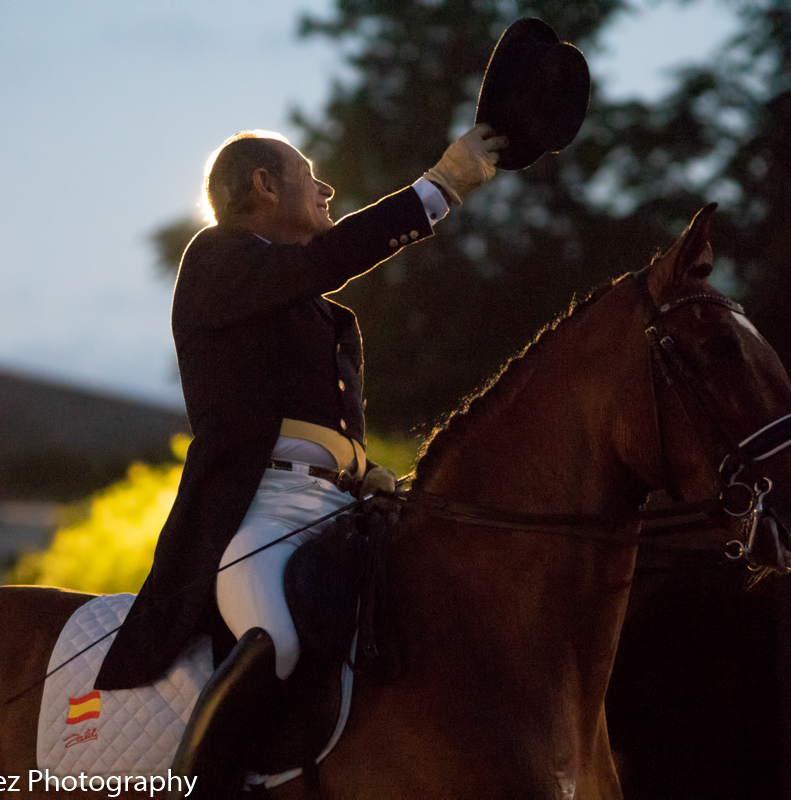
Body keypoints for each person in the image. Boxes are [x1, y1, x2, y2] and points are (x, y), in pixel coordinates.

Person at [93, 123, 506, 790]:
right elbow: (324, 260)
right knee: (278, 639)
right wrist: (441, 187)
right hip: (262, 515)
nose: (326, 188)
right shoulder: (215, 259)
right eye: (308, 174)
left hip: (342, 510)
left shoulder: (318, 314)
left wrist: (360, 469)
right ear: (262, 185)